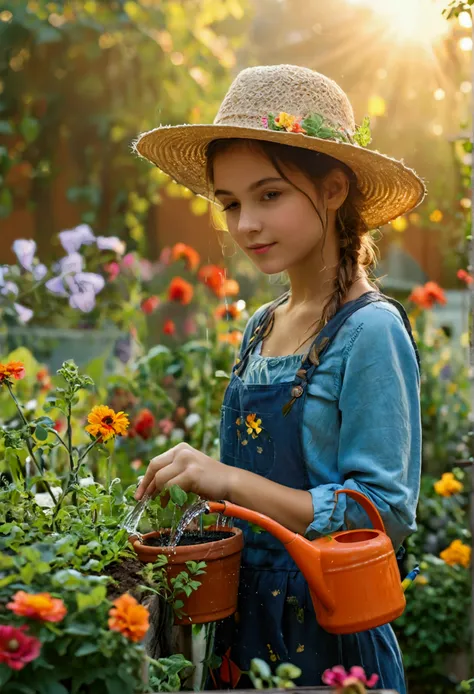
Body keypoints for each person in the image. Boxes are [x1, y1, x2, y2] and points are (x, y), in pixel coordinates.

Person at [134, 64, 424, 693]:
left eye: (269, 195)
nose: (245, 226)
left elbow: (380, 517)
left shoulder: (369, 333)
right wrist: (198, 485)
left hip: (330, 637)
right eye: (231, 203)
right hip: (243, 629)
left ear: (334, 189)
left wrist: (232, 479)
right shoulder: (262, 325)